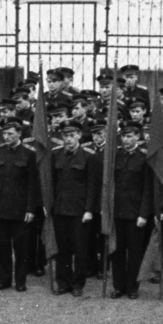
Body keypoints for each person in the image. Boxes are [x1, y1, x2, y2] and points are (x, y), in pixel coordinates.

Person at [0, 118, 41, 292]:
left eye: (10, 133)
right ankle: (4, 280)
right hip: (1, 207)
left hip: (20, 210)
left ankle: (20, 280)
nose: (7, 136)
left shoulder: (29, 153)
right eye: (4, 133)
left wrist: (31, 209)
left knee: (21, 249)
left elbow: (34, 184)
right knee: (2, 247)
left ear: (19, 133)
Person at [49, 120, 101, 297]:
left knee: (80, 250)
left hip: (79, 211)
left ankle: (78, 283)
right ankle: (63, 282)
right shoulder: (55, 155)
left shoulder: (89, 156)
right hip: (60, 208)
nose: (68, 139)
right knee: (62, 249)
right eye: (65, 136)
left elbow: (93, 186)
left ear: (79, 135)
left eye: (72, 135)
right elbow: (52, 182)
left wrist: (88, 210)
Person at [108, 123, 154, 299]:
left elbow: (148, 189)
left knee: (134, 252)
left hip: (135, 213)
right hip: (117, 211)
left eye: (129, 136)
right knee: (116, 251)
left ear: (137, 136)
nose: (125, 140)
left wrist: (143, 214)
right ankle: (119, 286)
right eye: (123, 136)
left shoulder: (144, 157)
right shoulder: (115, 155)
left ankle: (132, 286)